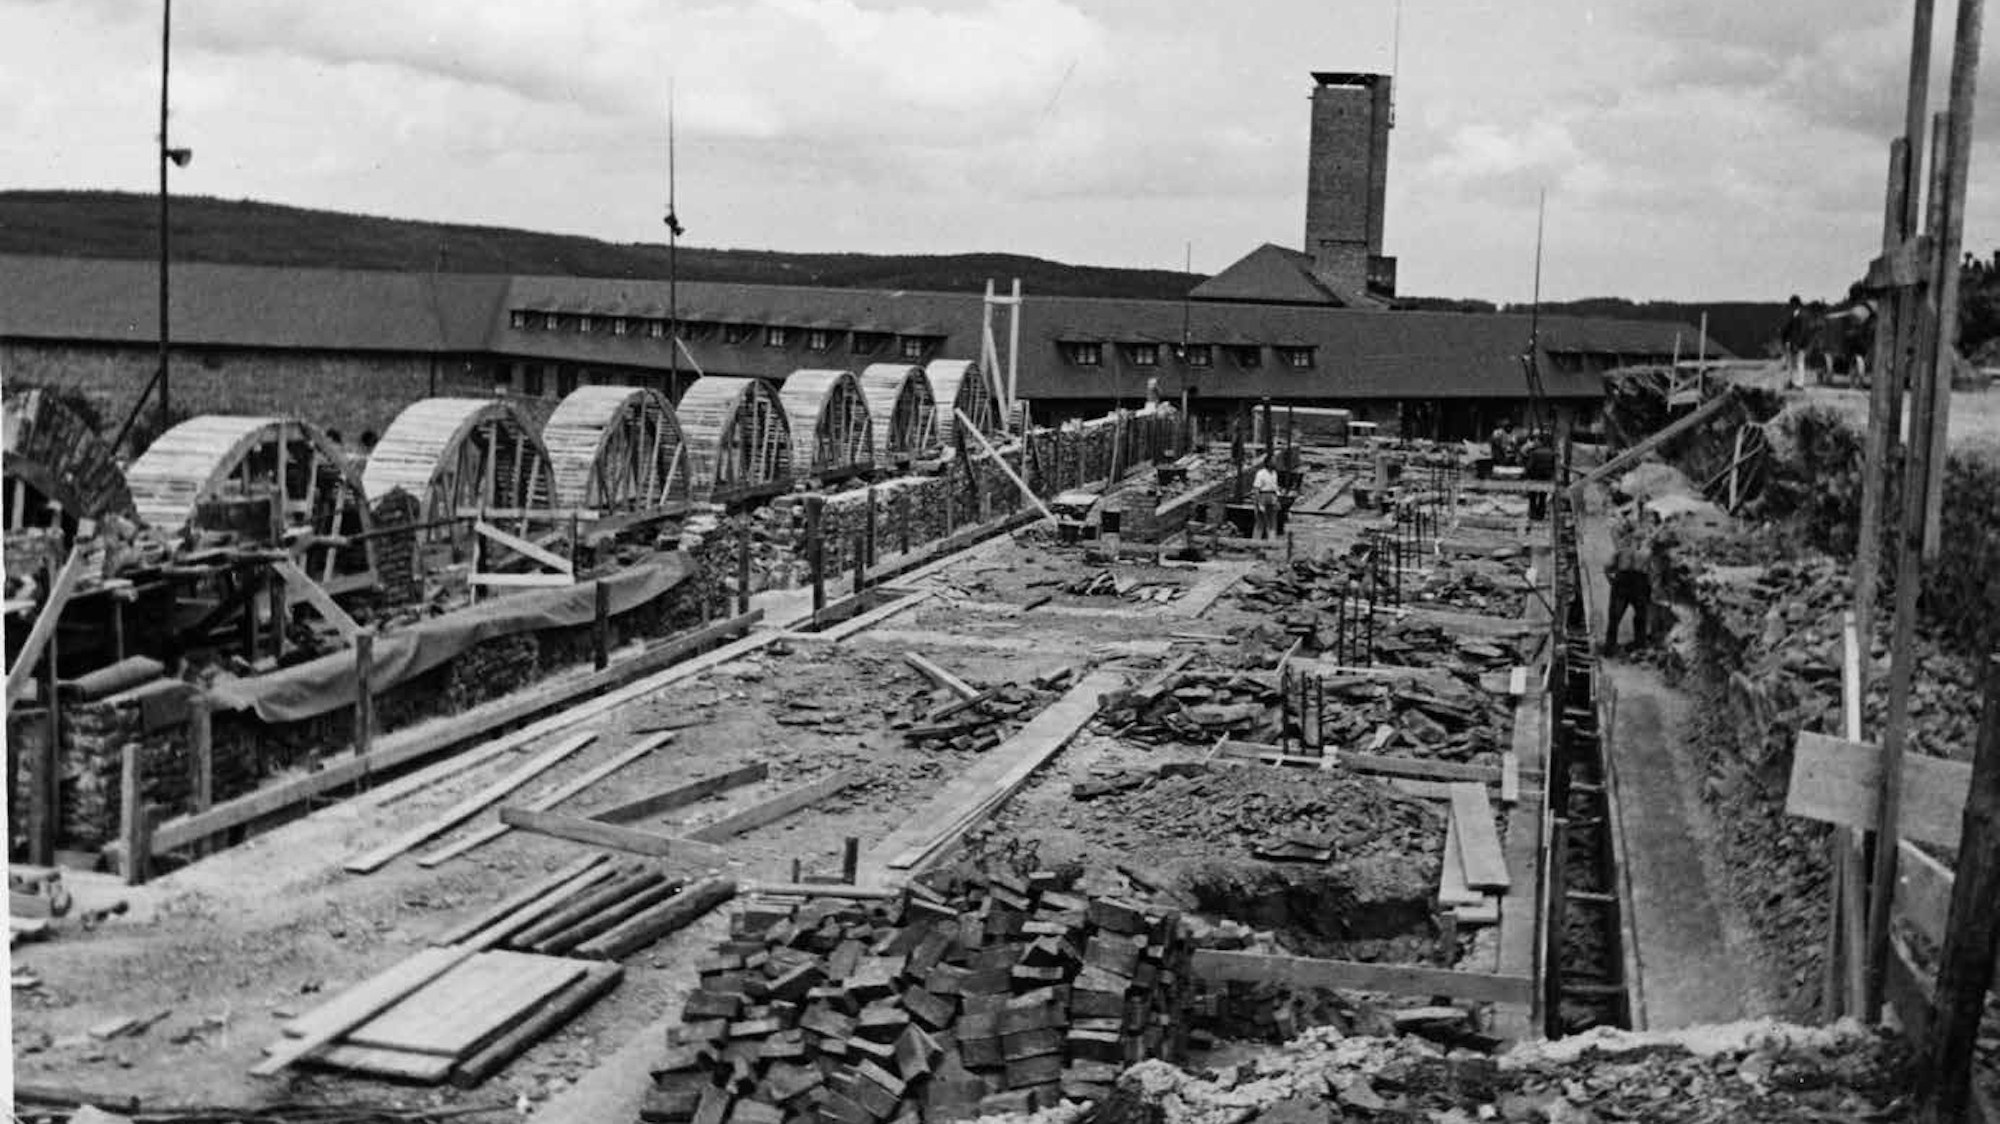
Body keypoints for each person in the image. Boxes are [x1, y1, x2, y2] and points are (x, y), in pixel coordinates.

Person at [1604, 511, 1653, 655]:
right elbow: (1651, 572)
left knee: (1614, 617)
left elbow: (1607, 566)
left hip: (1622, 580)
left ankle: (1609, 647)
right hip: (1639, 581)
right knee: (1640, 616)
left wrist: (1611, 581)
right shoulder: (1647, 551)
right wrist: (1649, 589)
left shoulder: (1622, 548)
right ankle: (1639, 646)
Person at [1252, 456, 1280, 539]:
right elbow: (1256, 489)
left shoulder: (1274, 473)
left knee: (1272, 521)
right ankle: (1256, 541)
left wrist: (1277, 499)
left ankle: (1271, 540)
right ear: (1268, 463)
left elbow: (1275, 487)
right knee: (1260, 521)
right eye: (1273, 461)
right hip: (1263, 496)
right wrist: (1259, 503)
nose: (1275, 463)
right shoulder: (1261, 473)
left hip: (1272, 496)